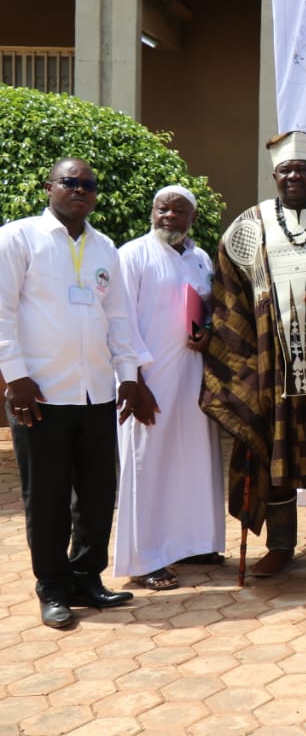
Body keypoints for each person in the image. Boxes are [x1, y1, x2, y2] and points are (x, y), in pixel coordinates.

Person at [202, 130, 306, 577]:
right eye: (286, 171)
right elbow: (228, 299)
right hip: (273, 367)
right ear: (275, 176)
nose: (294, 177)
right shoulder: (247, 228)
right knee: (276, 458)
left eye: (302, 170)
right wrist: (242, 364)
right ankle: (280, 545)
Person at [0, 158, 149, 628]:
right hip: (40, 394)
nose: (80, 190)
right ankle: (52, 587)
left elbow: (119, 318)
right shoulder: (18, 238)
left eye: (88, 184)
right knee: (46, 497)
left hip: (96, 393)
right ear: (49, 187)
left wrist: (128, 376)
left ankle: (87, 577)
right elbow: (2, 312)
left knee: (98, 492)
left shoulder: (105, 247)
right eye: (70, 182)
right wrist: (14, 377)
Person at [115, 185, 225, 591]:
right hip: (148, 379)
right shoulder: (132, 255)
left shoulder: (200, 258)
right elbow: (120, 320)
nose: (169, 217)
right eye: (163, 209)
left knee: (193, 459)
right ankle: (144, 558)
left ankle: (193, 544)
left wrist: (207, 330)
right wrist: (134, 380)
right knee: (147, 466)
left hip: (193, 375)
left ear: (192, 218)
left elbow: (207, 309)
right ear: (152, 212)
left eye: (179, 211)